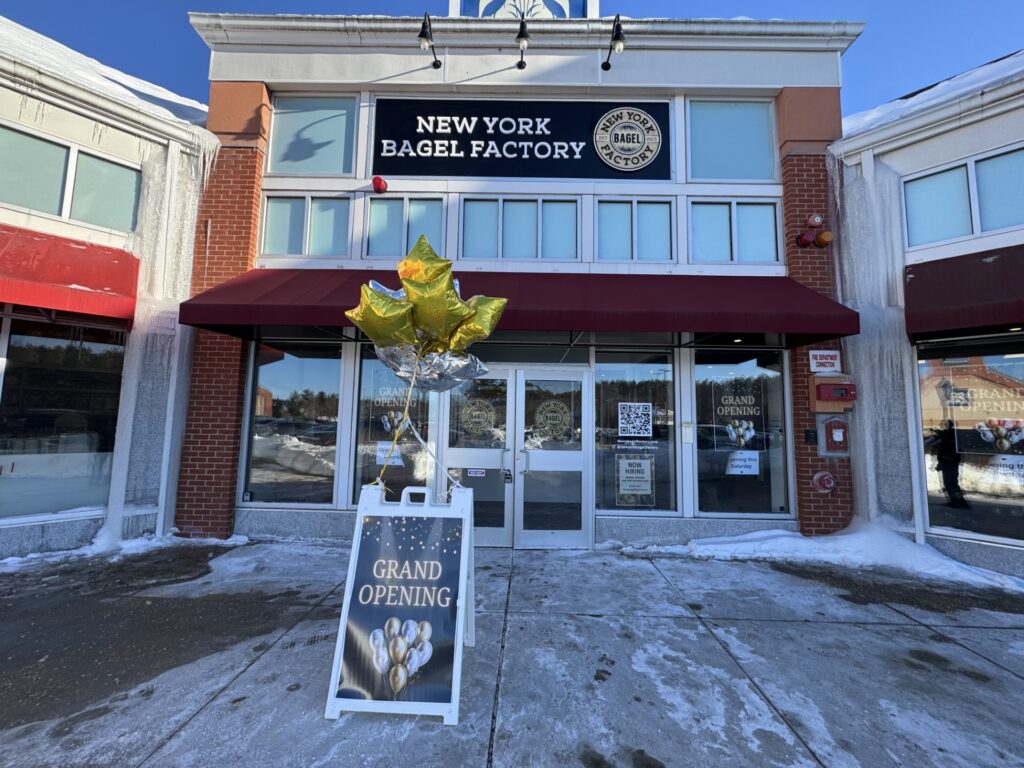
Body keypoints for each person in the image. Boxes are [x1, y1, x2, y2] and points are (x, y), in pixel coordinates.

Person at [933, 420, 971, 509]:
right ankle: (956, 501)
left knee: (951, 483)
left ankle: (960, 502)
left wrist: (938, 432)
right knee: (950, 483)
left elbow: (946, 440)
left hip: (950, 462)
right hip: (948, 461)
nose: (942, 426)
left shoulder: (950, 434)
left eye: (944, 425)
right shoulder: (949, 434)